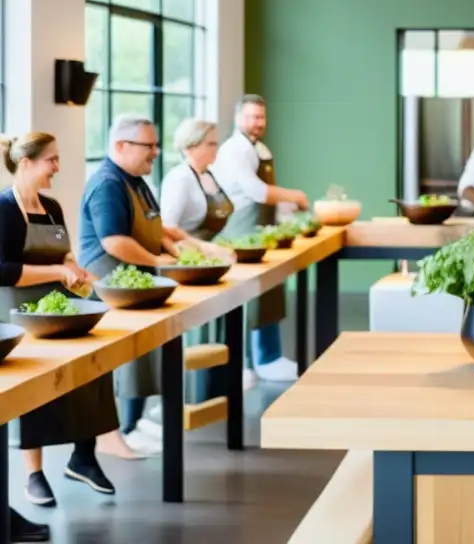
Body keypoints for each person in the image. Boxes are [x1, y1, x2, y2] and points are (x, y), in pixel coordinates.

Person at [79, 114, 214, 455]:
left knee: (144, 356)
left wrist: (181, 252)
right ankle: (119, 432)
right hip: (112, 283)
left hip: (138, 284)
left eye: (156, 145)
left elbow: (158, 227)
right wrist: (159, 262)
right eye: (148, 146)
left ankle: (135, 424)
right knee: (126, 361)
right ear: (121, 146)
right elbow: (114, 242)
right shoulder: (108, 183)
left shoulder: (137, 180)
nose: (156, 152)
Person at [0, 134, 118, 517]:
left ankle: (84, 456)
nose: (57, 167)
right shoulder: (3, 208)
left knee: (93, 367)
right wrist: (56, 270)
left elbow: (63, 248)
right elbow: (3, 271)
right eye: (51, 159)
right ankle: (33, 474)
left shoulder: (50, 206)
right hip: (20, 314)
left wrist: (73, 266)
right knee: (34, 389)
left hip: (60, 307)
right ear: (27, 162)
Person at [211, 95, 307, 384]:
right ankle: (237, 366)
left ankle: (269, 357)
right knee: (243, 300)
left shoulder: (261, 149)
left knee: (269, 292)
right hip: (240, 231)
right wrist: (294, 196)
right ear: (238, 117)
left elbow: (269, 192)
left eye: (262, 118)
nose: (258, 123)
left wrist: (286, 216)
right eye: (252, 117)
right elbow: (255, 191)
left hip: (263, 230)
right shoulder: (233, 151)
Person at [160, 118, 236, 401]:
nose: (217, 148)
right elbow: (168, 229)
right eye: (211, 143)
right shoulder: (180, 179)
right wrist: (203, 250)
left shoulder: (208, 175)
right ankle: (191, 395)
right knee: (195, 335)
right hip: (189, 268)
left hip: (211, 266)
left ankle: (214, 390)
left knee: (215, 329)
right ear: (192, 146)